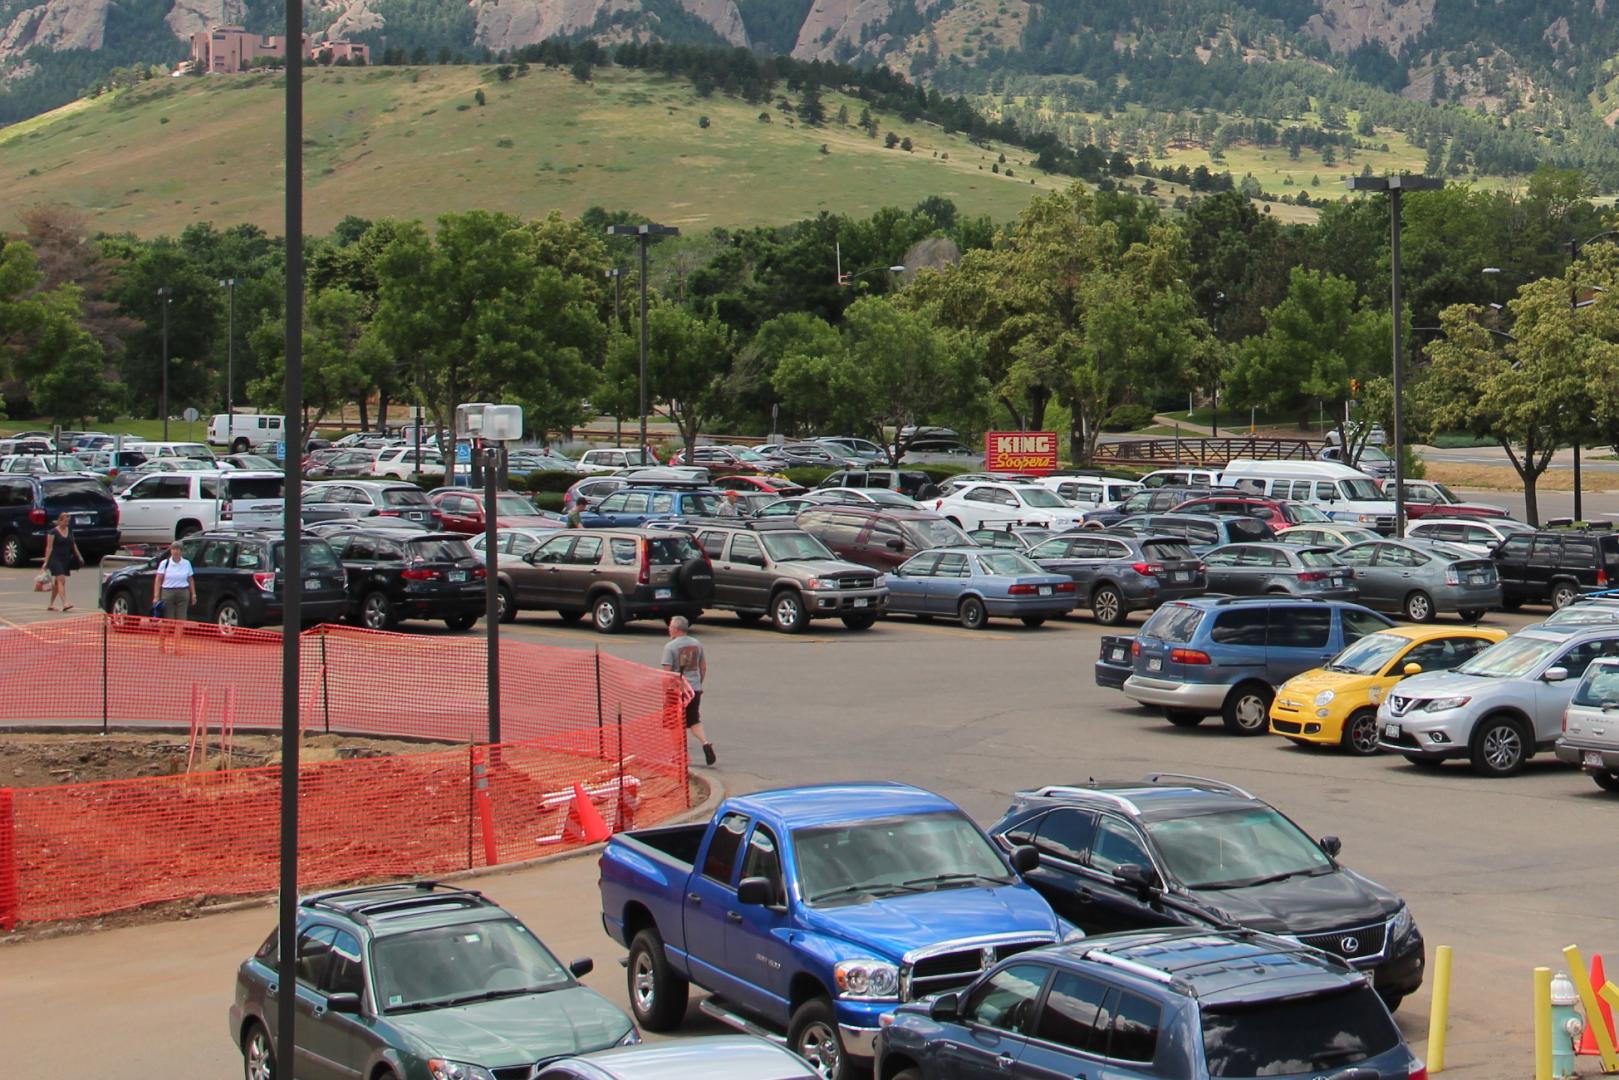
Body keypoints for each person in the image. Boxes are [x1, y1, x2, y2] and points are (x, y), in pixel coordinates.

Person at [662, 616, 715, 766]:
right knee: (694, 720)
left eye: (671, 626)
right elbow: (703, 667)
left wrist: (665, 691)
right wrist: (698, 684)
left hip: (676, 690)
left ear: (677, 629)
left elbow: (667, 673)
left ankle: (679, 754)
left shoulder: (670, 647)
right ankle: (705, 742)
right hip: (694, 689)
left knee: (674, 723)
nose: (669, 629)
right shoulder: (697, 644)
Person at [152, 541, 197, 656]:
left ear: (181, 551)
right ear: (171, 550)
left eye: (178, 549)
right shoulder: (165, 563)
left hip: (183, 592)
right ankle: (161, 644)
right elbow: (158, 579)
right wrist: (156, 596)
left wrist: (193, 594)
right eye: (174, 549)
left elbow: (190, 579)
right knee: (167, 621)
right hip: (168, 592)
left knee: (180, 621)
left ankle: (177, 647)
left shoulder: (186, 563)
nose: (176, 551)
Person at [42, 512, 83, 612]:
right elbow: (49, 547)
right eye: (65, 521)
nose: (66, 524)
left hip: (65, 559)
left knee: (57, 583)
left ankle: (51, 604)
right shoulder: (52, 532)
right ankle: (65, 603)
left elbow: (73, 544)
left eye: (68, 522)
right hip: (54, 558)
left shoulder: (70, 530)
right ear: (59, 521)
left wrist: (79, 556)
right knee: (61, 579)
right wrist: (46, 562)